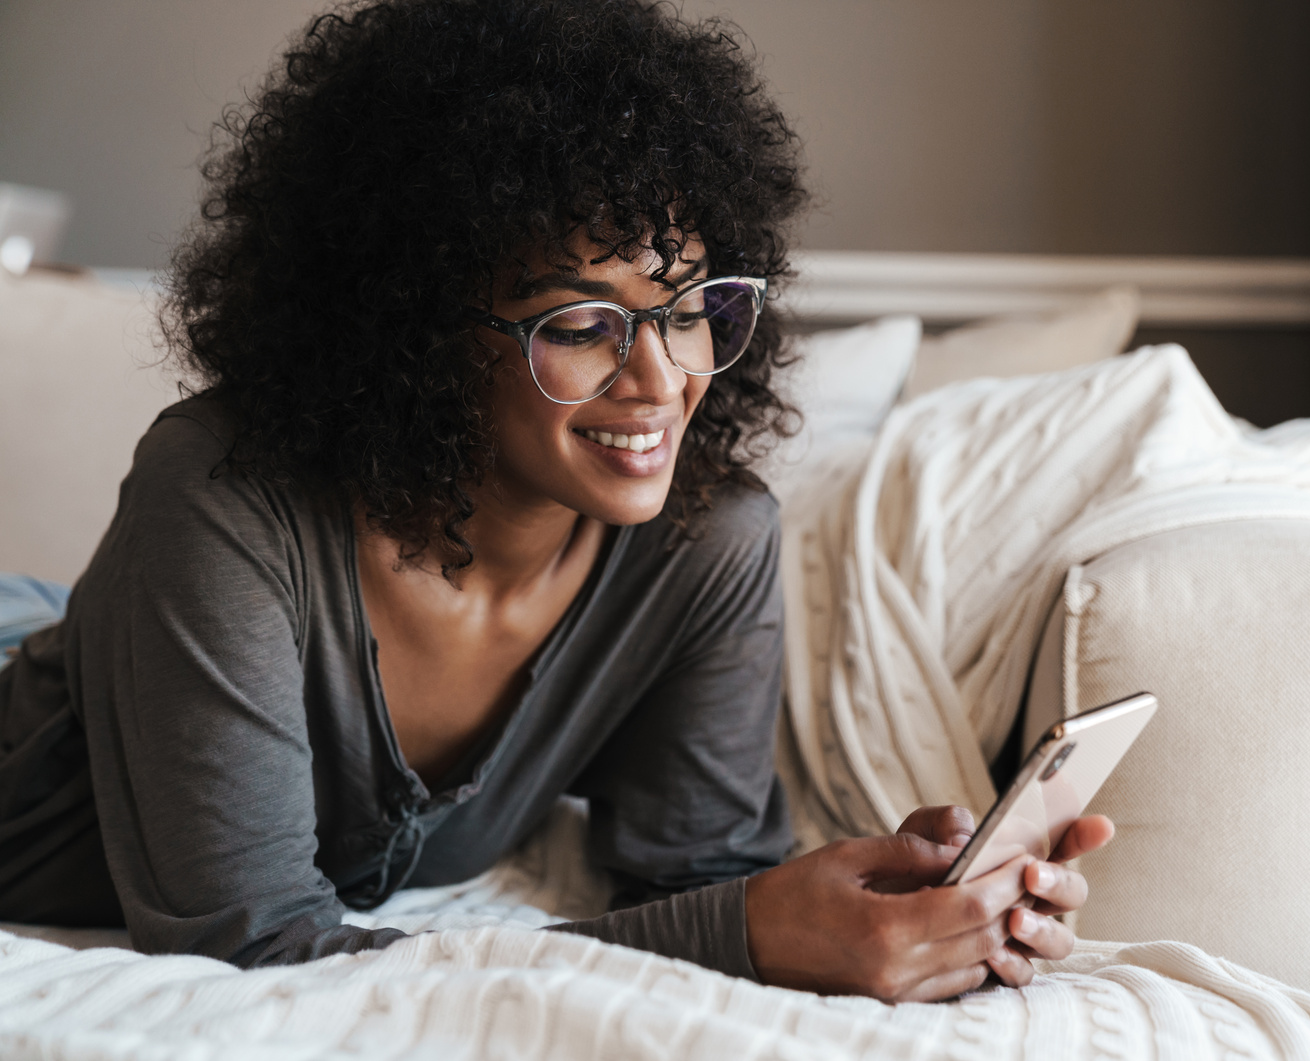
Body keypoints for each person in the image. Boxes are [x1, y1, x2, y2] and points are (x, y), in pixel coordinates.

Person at [0, 0, 1112, 1001]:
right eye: (580, 325)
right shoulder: (223, 497)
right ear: (416, 336)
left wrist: (887, 899)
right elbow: (253, 952)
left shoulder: (704, 548)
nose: (658, 379)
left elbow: (698, 876)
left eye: (687, 310)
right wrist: (750, 935)